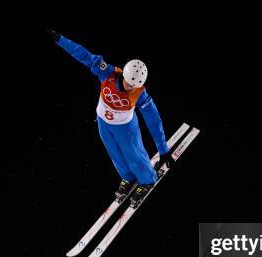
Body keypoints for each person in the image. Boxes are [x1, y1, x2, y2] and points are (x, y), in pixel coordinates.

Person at [47, 29, 174, 201]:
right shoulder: (107, 73)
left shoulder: (140, 94)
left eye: (134, 86)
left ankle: (147, 179)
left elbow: (154, 121)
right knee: (114, 151)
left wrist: (163, 150)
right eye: (129, 83)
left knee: (133, 152)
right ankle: (128, 176)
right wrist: (60, 40)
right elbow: (83, 55)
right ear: (124, 75)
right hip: (103, 122)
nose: (130, 87)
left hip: (125, 127)